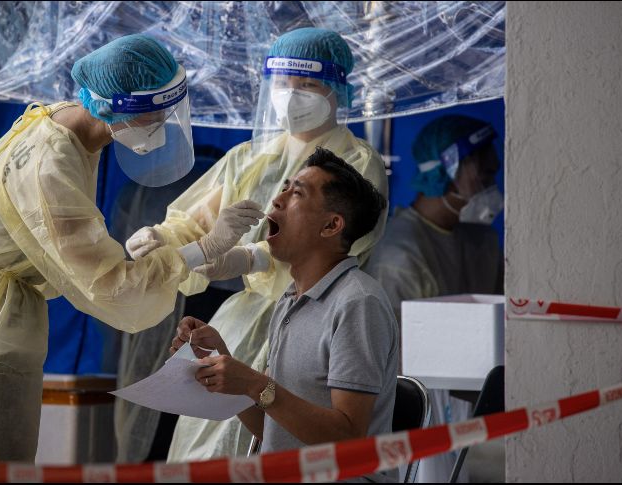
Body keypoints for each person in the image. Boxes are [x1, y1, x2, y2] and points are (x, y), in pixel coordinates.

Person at [0, 34, 263, 462]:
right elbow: (112, 286)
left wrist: (152, 248)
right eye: (158, 113)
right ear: (118, 107)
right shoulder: (50, 162)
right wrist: (205, 247)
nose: (165, 123)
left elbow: (76, 246)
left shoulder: (66, 128)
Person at [125, 28, 389, 462]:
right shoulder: (251, 157)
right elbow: (195, 223)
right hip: (244, 319)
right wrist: (165, 240)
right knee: (205, 450)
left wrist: (250, 256)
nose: (292, 96)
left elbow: (341, 246)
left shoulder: (354, 167)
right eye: (284, 85)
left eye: (308, 85)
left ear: (338, 90)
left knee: (260, 448)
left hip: (309, 314)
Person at [171, 148, 398, 482]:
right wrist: (223, 368)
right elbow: (271, 427)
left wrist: (252, 381)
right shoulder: (290, 300)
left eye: (297, 193)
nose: (277, 199)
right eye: (286, 187)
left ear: (332, 225)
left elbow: (348, 439)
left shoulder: (358, 303)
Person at [365, 114, 504, 482]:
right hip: (424, 418)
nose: (491, 188)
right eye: (483, 176)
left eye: (493, 176)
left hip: (477, 410)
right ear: (446, 170)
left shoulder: (483, 241)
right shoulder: (399, 256)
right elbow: (399, 369)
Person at [111, 146, 241, 463]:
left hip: (160, 305)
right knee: (203, 417)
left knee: (157, 417)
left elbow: (117, 271)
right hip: (220, 304)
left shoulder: (142, 188)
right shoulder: (235, 174)